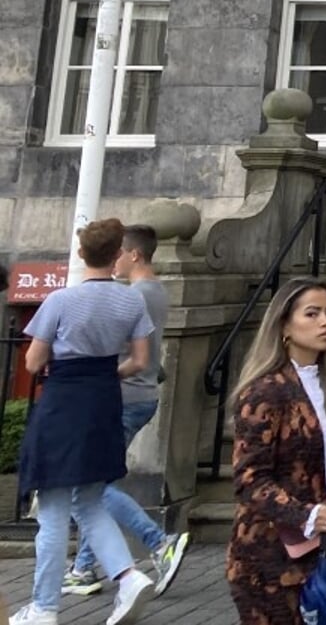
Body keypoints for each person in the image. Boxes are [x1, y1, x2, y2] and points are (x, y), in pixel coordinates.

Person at [15, 217, 160, 625]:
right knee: (92, 501)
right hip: (102, 399)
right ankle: (129, 577)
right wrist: (107, 373)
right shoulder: (132, 301)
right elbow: (141, 361)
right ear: (117, 255)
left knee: (54, 509)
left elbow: (33, 360)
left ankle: (44, 607)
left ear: (82, 254)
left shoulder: (60, 301)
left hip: (64, 399)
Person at [62, 225, 192, 600]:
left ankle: (158, 540)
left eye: (119, 253)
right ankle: (84, 567)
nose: (113, 261)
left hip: (123, 397)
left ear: (133, 254)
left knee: (93, 485)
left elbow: (130, 354)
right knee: (100, 483)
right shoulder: (154, 292)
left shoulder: (136, 295)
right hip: (138, 394)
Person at [226, 279, 326, 625]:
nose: (325, 322)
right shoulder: (266, 391)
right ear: (284, 325)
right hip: (268, 554)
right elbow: (249, 479)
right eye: (312, 314)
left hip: (318, 550)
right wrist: (306, 514)